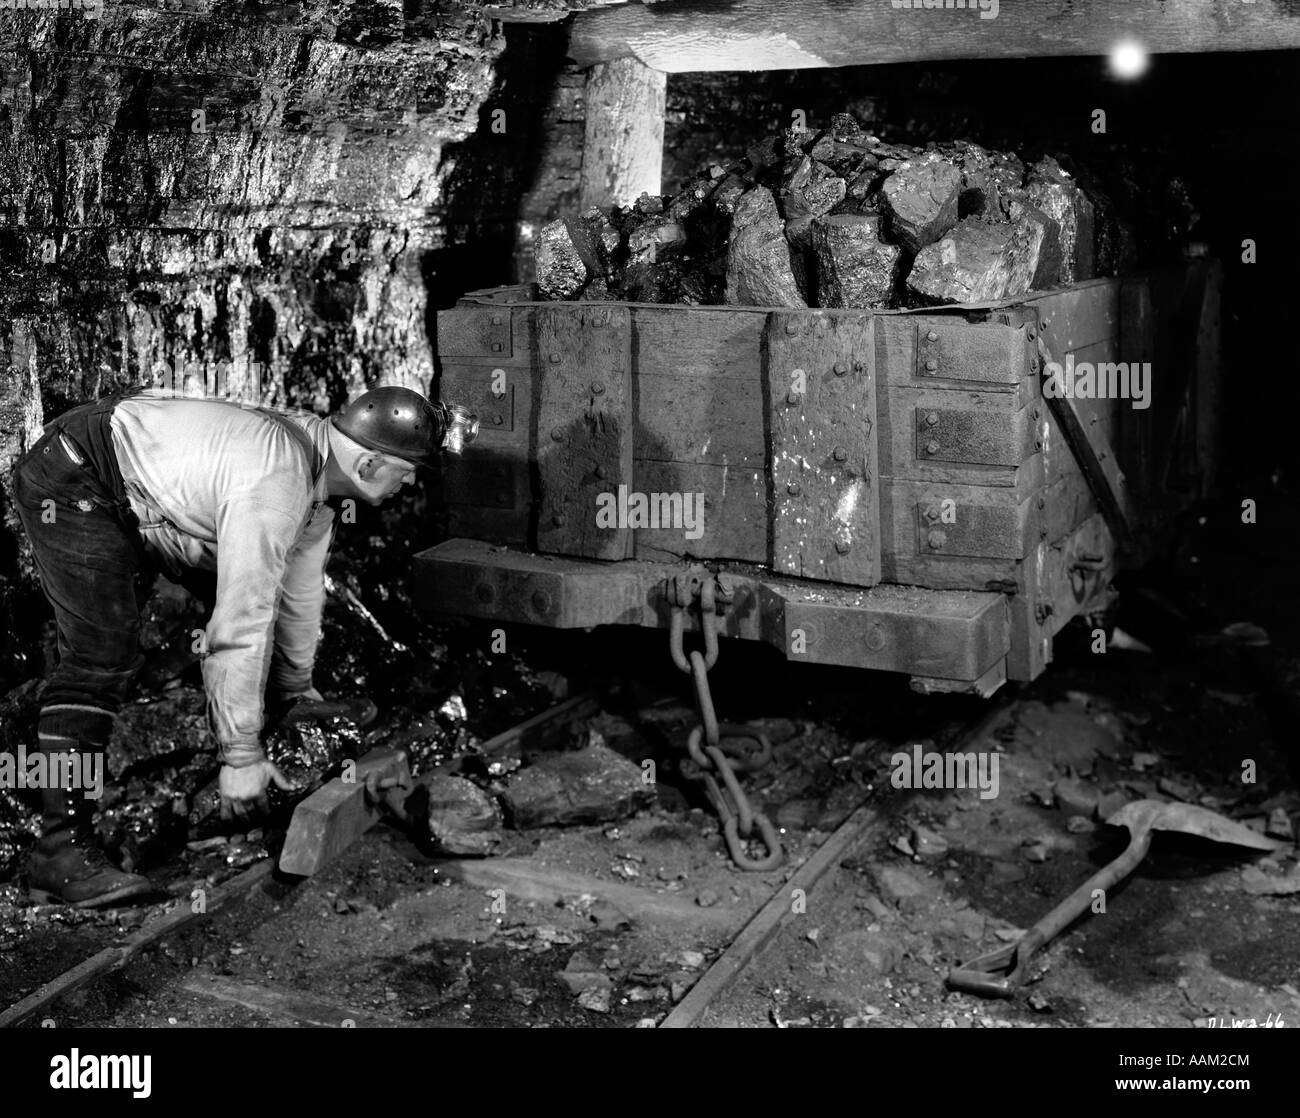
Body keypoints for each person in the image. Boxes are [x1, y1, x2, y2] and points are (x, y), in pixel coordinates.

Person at [10, 384, 463, 907]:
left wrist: (296, 691)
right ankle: (59, 853)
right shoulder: (278, 483)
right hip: (76, 477)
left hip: (136, 482)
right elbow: (242, 621)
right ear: (366, 465)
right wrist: (240, 756)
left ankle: (261, 735)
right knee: (102, 651)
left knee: (251, 597)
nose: (407, 486)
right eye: (405, 474)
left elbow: (297, 593)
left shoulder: (317, 485)